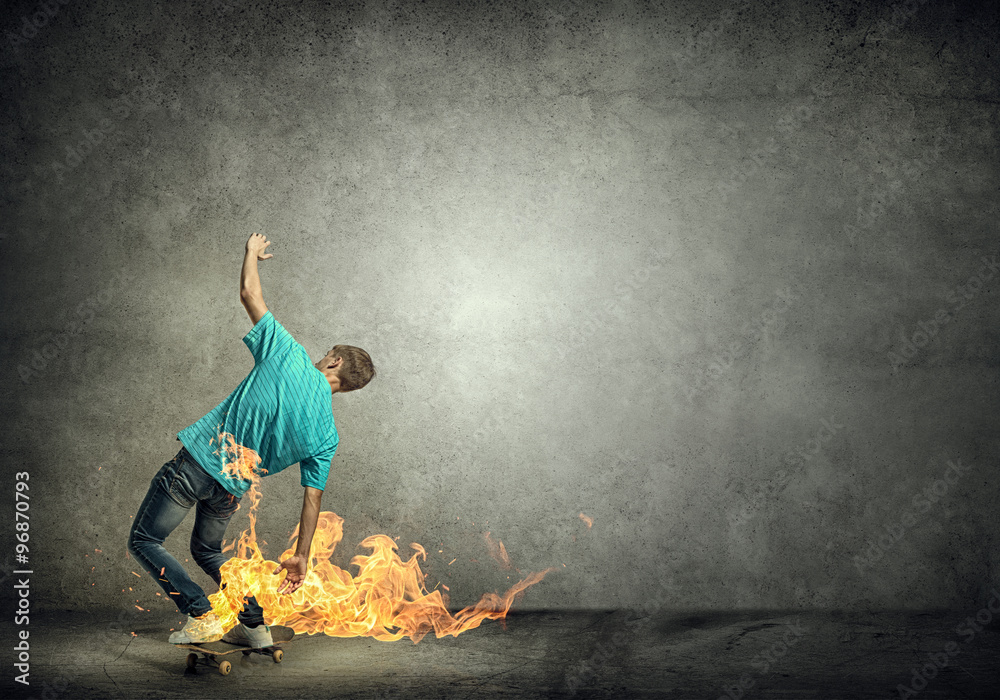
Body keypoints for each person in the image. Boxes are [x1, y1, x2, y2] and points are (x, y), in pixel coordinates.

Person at [126, 233, 375, 647]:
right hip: (231, 492)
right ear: (346, 387)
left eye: (327, 353)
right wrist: (302, 554)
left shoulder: (289, 355)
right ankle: (255, 627)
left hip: (194, 467)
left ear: (333, 361)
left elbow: (248, 292)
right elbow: (312, 499)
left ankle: (199, 612)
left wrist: (251, 253)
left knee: (145, 540)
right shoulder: (327, 436)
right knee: (208, 551)